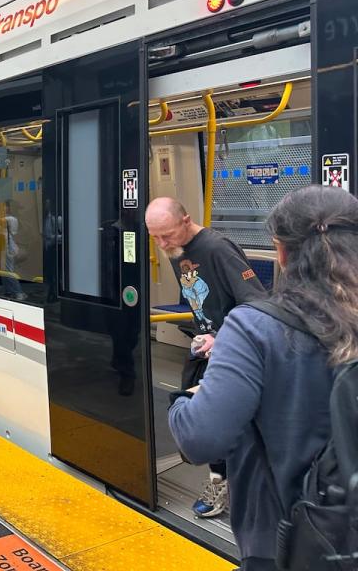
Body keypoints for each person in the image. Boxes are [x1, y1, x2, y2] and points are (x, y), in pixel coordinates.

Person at [168, 185, 357, 570]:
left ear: (282, 253)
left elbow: (201, 439)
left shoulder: (255, 328)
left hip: (286, 537)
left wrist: (187, 398)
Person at [146, 196, 267, 518]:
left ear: (186, 221)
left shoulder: (217, 249)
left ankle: (235, 483)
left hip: (235, 349)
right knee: (197, 417)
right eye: (154, 237)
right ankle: (221, 477)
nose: (161, 243)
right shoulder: (176, 249)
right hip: (204, 347)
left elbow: (256, 303)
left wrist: (221, 336)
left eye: (167, 235)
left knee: (228, 423)